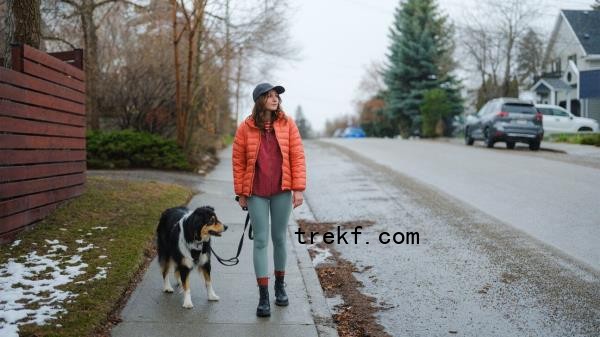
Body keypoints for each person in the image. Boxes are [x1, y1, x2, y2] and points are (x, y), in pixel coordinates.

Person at [232, 82, 306, 317]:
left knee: (280, 238)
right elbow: (238, 161)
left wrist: (298, 189)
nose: (275, 99)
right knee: (261, 241)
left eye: (277, 96)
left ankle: (280, 287)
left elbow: (297, 156)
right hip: (256, 192)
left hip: (282, 190)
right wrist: (241, 193)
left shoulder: (287, 124)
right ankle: (263, 296)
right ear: (259, 100)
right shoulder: (245, 128)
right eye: (269, 96)